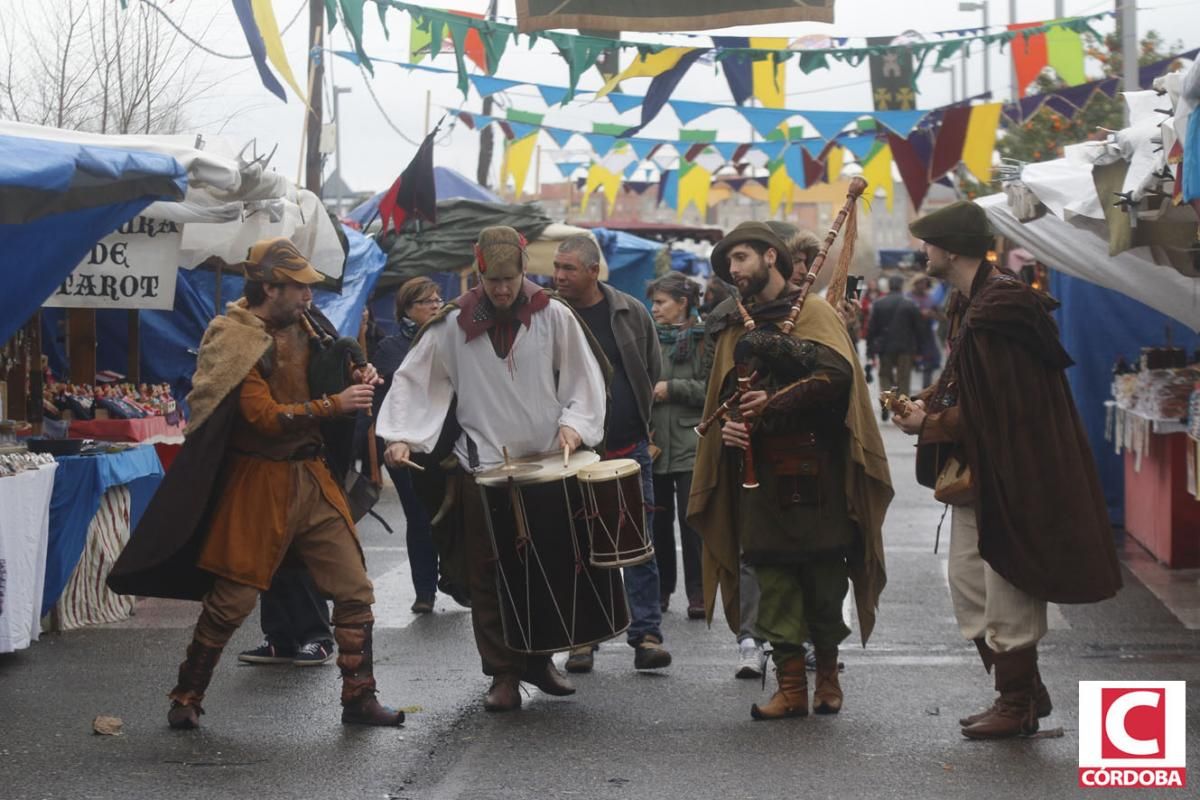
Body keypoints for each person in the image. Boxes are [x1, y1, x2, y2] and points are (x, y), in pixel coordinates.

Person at [108, 237, 405, 729]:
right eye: (299, 288)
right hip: (259, 480)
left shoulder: (308, 327)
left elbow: (330, 372)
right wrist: (335, 405)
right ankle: (187, 695)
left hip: (311, 476)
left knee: (354, 588)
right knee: (232, 602)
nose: (310, 297)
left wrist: (356, 370)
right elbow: (261, 417)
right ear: (270, 287)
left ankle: (358, 697)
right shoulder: (232, 337)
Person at [894, 201, 1121, 739]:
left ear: (949, 247)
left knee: (1008, 582)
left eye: (927, 243)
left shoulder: (1001, 307)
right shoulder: (970, 302)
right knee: (969, 584)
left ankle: (1015, 701)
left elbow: (1004, 405)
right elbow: (966, 380)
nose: (921, 252)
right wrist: (926, 401)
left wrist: (932, 423)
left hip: (1015, 468)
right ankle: (1026, 695)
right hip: (979, 468)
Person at [376, 226, 607, 712]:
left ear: (524, 270)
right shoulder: (452, 323)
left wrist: (575, 425)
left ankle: (540, 660)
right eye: (492, 279)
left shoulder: (553, 314)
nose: (502, 289)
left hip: (546, 465)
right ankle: (502, 673)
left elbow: (584, 380)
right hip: (480, 467)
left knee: (544, 571)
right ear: (478, 272)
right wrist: (402, 436)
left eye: (510, 278)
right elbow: (417, 380)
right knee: (488, 576)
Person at [687, 221, 893, 721]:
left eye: (741, 259)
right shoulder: (734, 323)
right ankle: (790, 687)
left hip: (816, 469)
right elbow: (726, 398)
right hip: (758, 477)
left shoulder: (815, 313)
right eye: (729, 264)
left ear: (770, 258)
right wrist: (731, 428)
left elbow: (837, 380)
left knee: (824, 579)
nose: (734, 271)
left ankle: (827, 678)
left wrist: (775, 387)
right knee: (773, 579)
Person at [552, 234, 672, 674]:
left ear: (593, 271)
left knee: (637, 541)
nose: (559, 276)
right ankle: (584, 638)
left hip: (627, 445)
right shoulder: (549, 313)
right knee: (576, 544)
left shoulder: (629, 311)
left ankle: (647, 635)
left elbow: (649, 366)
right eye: (557, 267)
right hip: (568, 452)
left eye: (568, 268)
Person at [371, 277, 445, 614]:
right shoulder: (391, 348)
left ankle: (455, 579)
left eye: (437, 299)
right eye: (427, 301)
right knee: (418, 517)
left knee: (451, 515)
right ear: (408, 309)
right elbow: (390, 402)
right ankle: (425, 590)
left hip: (445, 445)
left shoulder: (448, 339)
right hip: (404, 448)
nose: (435, 305)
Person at [645, 273, 709, 620]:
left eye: (660, 302)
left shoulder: (702, 339)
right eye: (653, 302)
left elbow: (712, 388)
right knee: (657, 525)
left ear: (682, 303)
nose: (654, 309)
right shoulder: (648, 337)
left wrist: (672, 388)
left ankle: (698, 592)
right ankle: (662, 590)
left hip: (690, 443)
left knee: (692, 522)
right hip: (655, 445)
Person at [867, 274, 923, 417]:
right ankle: (902, 411)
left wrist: (870, 350)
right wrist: (919, 350)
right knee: (903, 379)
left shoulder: (879, 304)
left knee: (885, 376)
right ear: (901, 286)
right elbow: (919, 329)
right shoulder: (910, 304)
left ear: (889, 286)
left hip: (885, 348)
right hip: (906, 348)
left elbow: (872, 329)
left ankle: (888, 403)